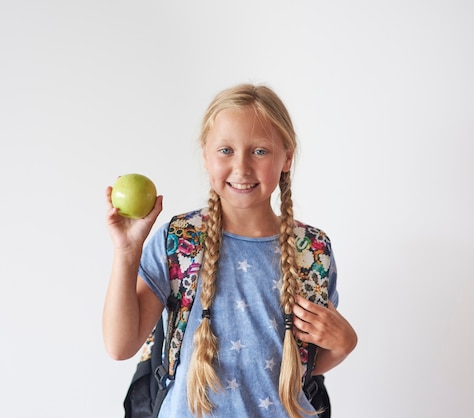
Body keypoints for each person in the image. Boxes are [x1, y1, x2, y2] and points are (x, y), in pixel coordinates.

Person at [103, 83, 357, 418]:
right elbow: (120, 346)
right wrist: (127, 251)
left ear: (287, 157)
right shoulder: (181, 241)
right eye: (226, 150)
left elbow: (301, 364)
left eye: (260, 151)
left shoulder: (312, 250)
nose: (241, 167)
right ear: (206, 155)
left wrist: (344, 344)